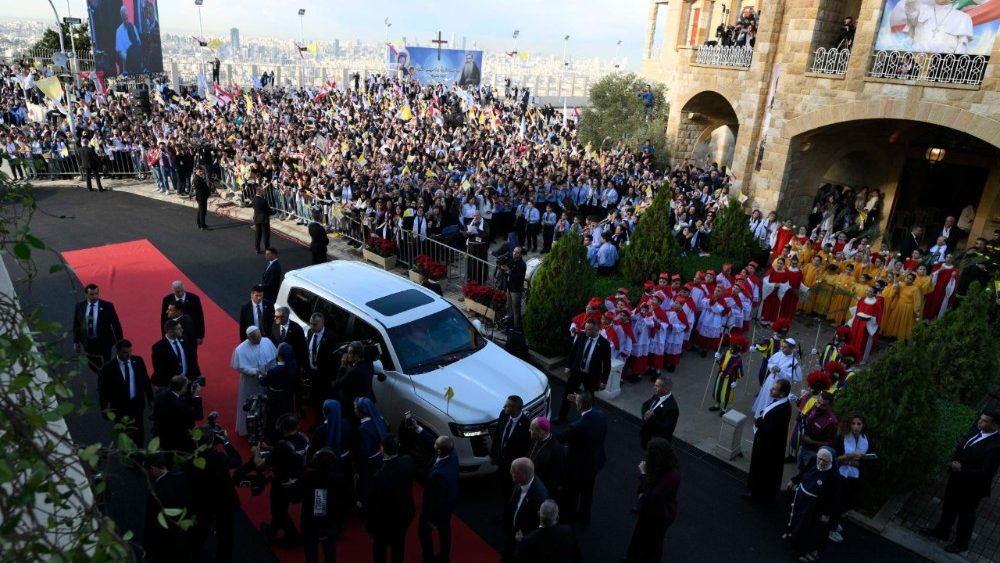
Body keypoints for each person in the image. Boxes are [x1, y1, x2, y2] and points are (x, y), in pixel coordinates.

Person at [921, 410, 1000, 554]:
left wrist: (962, 468)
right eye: (980, 419)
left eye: (985, 421)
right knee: (949, 507)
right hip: (957, 479)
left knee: (966, 515)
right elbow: (964, 447)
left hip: (972, 487)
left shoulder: (995, 446)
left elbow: (986, 473)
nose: (980, 422)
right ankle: (942, 531)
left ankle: (961, 543)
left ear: (995, 426)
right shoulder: (976, 430)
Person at [186, 424, 242, 563]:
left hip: (200, 500)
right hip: (223, 501)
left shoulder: (190, 457)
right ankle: (223, 558)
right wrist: (226, 441)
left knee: (199, 531)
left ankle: (193, 554)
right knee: (225, 534)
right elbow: (237, 460)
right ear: (212, 441)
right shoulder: (218, 458)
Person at [255, 413, 311, 546]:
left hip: (283, 483)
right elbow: (290, 451)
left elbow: (260, 464)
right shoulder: (305, 438)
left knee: (278, 510)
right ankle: (272, 531)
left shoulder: (282, 446)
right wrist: (271, 449)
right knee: (280, 509)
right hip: (301, 480)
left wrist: (255, 452)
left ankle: (293, 536)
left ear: (282, 428)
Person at [623, 438, 681, 563]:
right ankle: (631, 556)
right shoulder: (666, 466)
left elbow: (653, 495)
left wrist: (643, 474)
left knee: (653, 543)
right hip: (652, 510)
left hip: (660, 514)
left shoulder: (671, 477)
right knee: (640, 534)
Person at [556, 391, 608, 525]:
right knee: (587, 493)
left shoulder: (577, 426)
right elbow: (592, 409)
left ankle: (568, 518)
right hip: (595, 462)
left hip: (578, 467)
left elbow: (560, 438)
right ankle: (585, 517)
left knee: (571, 494)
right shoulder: (601, 415)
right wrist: (580, 401)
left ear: (579, 406)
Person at [783, 447, 841, 563]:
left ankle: (803, 550)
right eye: (820, 459)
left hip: (816, 506)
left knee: (809, 528)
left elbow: (833, 497)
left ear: (831, 461)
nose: (821, 462)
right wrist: (793, 480)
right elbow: (804, 472)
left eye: (825, 461)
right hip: (802, 498)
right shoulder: (813, 459)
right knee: (796, 518)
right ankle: (791, 534)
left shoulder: (834, 476)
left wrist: (826, 513)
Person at [367, 433, 416, 563]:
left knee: (380, 550)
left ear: (382, 450)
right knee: (398, 546)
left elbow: (373, 506)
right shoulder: (408, 461)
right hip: (404, 515)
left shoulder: (379, 476)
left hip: (385, 521)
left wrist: (370, 529)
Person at [300, 447, 352, 563]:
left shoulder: (307, 479)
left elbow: (295, 497)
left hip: (310, 524)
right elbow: (348, 501)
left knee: (311, 556)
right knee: (330, 555)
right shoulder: (338, 479)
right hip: (330, 523)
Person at [744, 378, 792, 503]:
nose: (771, 389)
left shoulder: (782, 409)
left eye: (774, 389)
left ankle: (757, 493)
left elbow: (771, 428)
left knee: (762, 469)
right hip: (766, 443)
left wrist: (759, 421)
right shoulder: (781, 404)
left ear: (782, 393)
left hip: (768, 447)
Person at [98, 339, 153, 447]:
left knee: (139, 431)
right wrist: (104, 408)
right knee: (124, 434)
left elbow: (145, 380)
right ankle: (127, 454)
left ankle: (139, 454)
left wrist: (150, 398)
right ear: (118, 352)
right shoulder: (108, 368)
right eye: (125, 352)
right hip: (119, 408)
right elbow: (103, 390)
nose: (129, 355)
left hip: (137, 404)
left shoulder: (138, 361)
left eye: (130, 351)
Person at [416, 431, 460, 563]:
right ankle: (444, 556)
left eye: (436, 444)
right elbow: (434, 442)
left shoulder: (439, 476)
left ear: (439, 451)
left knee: (423, 532)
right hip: (448, 504)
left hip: (436, 510)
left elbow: (436, 501)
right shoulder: (453, 454)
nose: (433, 443)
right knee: (445, 531)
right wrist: (419, 430)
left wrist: (432, 519)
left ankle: (428, 558)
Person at [142, 453, 194, 562]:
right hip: (186, 536)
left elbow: (152, 525)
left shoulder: (155, 495)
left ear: (152, 468)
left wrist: (147, 550)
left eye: (146, 470)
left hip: (167, 543)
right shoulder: (183, 477)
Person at [557, 320, 611, 422]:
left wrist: (604, 381)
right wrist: (568, 366)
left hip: (591, 376)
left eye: (588, 329)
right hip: (576, 372)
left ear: (596, 329)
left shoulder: (604, 344)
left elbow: (607, 364)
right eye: (585, 328)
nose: (585, 331)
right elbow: (573, 352)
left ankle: (587, 421)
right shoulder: (582, 336)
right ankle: (562, 417)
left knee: (589, 399)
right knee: (567, 395)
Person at [829, 413, 869, 543]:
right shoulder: (842, 437)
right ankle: (831, 528)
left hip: (854, 475)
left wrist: (850, 460)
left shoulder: (865, 439)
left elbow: (863, 462)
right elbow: (835, 458)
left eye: (859, 424)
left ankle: (834, 520)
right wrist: (851, 456)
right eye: (853, 423)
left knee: (849, 502)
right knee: (838, 502)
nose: (856, 427)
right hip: (841, 474)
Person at [230, 326, 277, 436]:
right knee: (251, 405)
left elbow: (273, 358)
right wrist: (257, 372)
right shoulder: (240, 349)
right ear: (249, 338)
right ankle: (249, 428)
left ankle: (265, 426)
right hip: (251, 383)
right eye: (255, 338)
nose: (258, 339)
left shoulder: (266, 341)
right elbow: (241, 368)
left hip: (266, 380)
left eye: (259, 336)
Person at [503, 457, 549, 563]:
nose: (510, 473)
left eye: (513, 472)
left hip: (524, 540)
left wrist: (525, 539)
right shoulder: (520, 481)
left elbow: (541, 526)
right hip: (512, 534)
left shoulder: (540, 497)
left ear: (522, 475)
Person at [889, 0, 974, 54]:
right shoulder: (920, 11)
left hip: (943, 68)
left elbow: (961, 48)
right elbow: (910, 9)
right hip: (916, 63)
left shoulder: (963, 18)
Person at [73, 283, 123, 374]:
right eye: (92, 294)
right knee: (93, 364)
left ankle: (105, 381)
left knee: (105, 364)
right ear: (86, 294)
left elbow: (116, 324)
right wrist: (76, 341)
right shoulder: (80, 306)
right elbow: (77, 324)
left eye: (96, 293)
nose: (95, 296)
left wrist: (120, 342)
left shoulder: (107, 306)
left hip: (104, 342)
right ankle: (101, 375)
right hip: (88, 343)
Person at [515, 499, 581, 563]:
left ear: (539, 514)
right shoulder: (568, 531)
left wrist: (521, 542)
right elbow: (576, 556)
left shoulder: (528, 540)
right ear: (557, 516)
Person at [151, 375, 204, 455]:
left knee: (168, 457)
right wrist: (195, 395)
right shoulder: (179, 404)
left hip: (161, 433)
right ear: (182, 388)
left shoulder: (161, 392)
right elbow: (198, 415)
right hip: (176, 438)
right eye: (186, 385)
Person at [492, 395, 532, 499]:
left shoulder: (526, 425)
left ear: (515, 409)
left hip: (513, 466)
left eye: (507, 406)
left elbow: (525, 449)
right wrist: (493, 454)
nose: (504, 407)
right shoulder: (503, 414)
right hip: (501, 461)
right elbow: (497, 434)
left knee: (510, 491)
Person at [752, 338, 802, 419]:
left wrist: (780, 371)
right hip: (770, 380)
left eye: (785, 347)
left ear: (791, 349)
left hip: (780, 385)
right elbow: (770, 362)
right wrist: (772, 367)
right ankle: (759, 415)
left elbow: (792, 377)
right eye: (782, 346)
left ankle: (768, 417)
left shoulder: (794, 362)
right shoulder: (779, 354)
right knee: (765, 397)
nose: (782, 348)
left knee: (773, 400)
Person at [259, 342, 299, 443]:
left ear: (279, 355)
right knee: (287, 415)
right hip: (288, 397)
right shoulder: (294, 368)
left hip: (275, 398)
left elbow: (263, 382)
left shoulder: (275, 371)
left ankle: (274, 438)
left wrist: (260, 375)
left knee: (273, 418)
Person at [353, 397, 388, 511]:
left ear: (361, 411)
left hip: (369, 463)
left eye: (355, 407)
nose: (354, 410)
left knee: (366, 486)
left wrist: (358, 469)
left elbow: (364, 451)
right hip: (380, 458)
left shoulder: (363, 429)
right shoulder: (380, 419)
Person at [527, 416, 565, 508]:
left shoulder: (556, 451)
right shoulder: (537, 439)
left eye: (532, 429)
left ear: (541, 431)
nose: (529, 430)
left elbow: (554, 479)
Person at [797, 392, 838, 472]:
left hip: (814, 454)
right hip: (803, 448)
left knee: (809, 475)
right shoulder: (814, 408)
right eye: (818, 402)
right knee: (800, 471)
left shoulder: (831, 422)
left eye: (823, 405)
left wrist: (810, 441)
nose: (819, 406)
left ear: (830, 406)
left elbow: (829, 444)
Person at [150, 319, 198, 387]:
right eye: (179, 329)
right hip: (170, 385)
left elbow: (191, 358)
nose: (182, 330)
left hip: (186, 381)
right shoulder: (158, 347)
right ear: (170, 331)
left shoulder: (184, 340)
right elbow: (159, 370)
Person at [333, 342, 376, 417]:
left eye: (349, 353)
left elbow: (337, 384)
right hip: (368, 400)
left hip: (355, 407)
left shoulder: (353, 372)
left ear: (356, 355)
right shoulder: (369, 364)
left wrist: (342, 366)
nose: (347, 356)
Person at [304, 312, 337, 410]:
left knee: (322, 399)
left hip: (324, 375)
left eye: (315, 324)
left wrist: (332, 378)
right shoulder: (310, 332)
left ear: (322, 323)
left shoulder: (331, 337)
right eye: (310, 323)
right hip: (311, 373)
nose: (312, 326)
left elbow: (333, 360)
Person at [160, 281, 205, 345]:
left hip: (190, 333)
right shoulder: (167, 299)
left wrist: (200, 336)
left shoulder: (194, 299)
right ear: (173, 291)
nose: (180, 293)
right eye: (177, 292)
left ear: (184, 288)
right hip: (174, 333)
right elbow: (164, 319)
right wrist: (164, 336)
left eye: (182, 290)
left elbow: (199, 317)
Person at [711, 333, 747, 414]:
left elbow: (738, 372)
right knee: (718, 390)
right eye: (732, 345)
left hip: (730, 378)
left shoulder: (738, 360)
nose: (732, 347)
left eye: (734, 346)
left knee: (727, 394)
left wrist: (735, 382)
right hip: (720, 375)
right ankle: (717, 405)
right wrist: (717, 357)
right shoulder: (726, 352)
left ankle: (724, 409)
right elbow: (720, 362)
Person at [640, 376, 679, 448]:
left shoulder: (672, 408)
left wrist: (650, 418)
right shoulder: (656, 396)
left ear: (666, 389)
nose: (654, 387)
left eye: (657, 386)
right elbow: (645, 405)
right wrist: (646, 413)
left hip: (657, 443)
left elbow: (667, 429)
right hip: (647, 437)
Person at [114, 6, 142, 74]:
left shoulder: (133, 27)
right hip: (127, 66)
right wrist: (130, 59)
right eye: (123, 16)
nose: (125, 17)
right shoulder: (119, 31)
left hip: (137, 63)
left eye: (126, 15)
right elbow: (119, 51)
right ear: (121, 16)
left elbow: (139, 42)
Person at [506, 247, 527, 329]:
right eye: (514, 251)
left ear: (521, 254)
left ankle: (517, 329)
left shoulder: (522, 265)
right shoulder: (512, 261)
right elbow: (507, 268)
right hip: (510, 288)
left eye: (517, 252)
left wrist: (509, 272)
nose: (514, 253)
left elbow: (519, 277)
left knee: (516, 311)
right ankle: (510, 325)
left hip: (516, 290)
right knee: (509, 307)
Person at [252, 186, 275, 254]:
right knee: (266, 235)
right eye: (263, 191)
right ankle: (267, 249)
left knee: (258, 235)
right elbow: (268, 211)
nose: (264, 192)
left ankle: (257, 249)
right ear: (259, 192)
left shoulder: (253, 199)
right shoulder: (263, 201)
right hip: (264, 220)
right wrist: (274, 212)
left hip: (257, 219)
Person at [193, 165, 212, 230]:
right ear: (197, 171)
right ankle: (202, 225)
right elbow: (201, 189)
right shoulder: (196, 179)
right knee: (202, 211)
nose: (201, 173)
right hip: (201, 197)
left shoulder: (199, 178)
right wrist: (206, 193)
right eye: (200, 171)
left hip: (202, 196)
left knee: (200, 210)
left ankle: (199, 223)